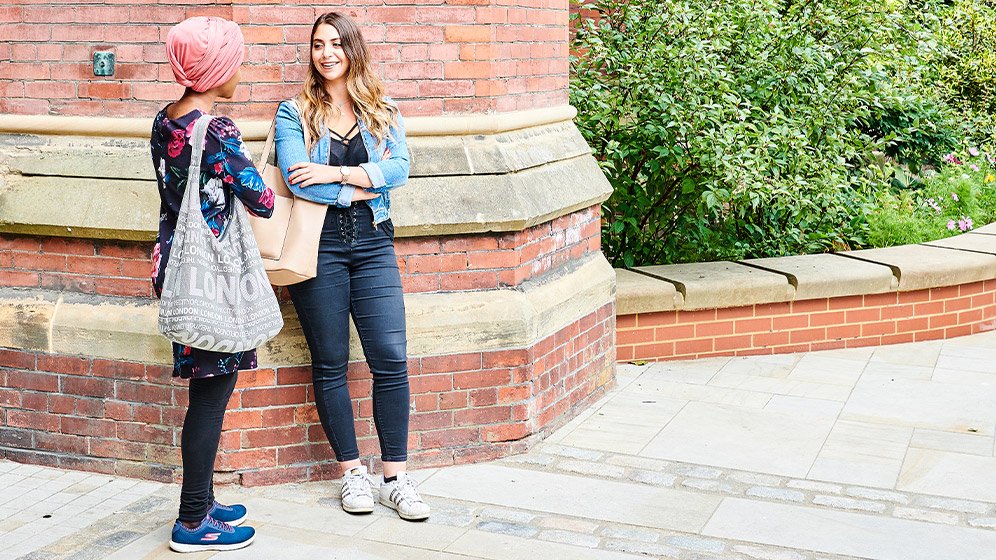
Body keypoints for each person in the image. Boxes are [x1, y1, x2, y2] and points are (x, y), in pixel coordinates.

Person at [274, 11, 429, 521]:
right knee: (331, 362)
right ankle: (352, 474)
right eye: (318, 44)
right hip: (319, 248)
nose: (327, 53)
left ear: (353, 49)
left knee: (390, 356)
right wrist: (365, 181)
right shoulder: (292, 112)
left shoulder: (382, 109)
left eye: (337, 44)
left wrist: (338, 172)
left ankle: (396, 478)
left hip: (374, 243)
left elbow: (401, 168)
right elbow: (300, 181)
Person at [151, 16, 274, 552]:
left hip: (178, 268)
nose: (240, 69)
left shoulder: (164, 119)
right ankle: (193, 520)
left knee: (209, 390)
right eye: (234, 59)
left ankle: (203, 496)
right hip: (213, 279)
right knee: (210, 396)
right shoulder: (217, 131)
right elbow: (262, 201)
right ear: (216, 67)